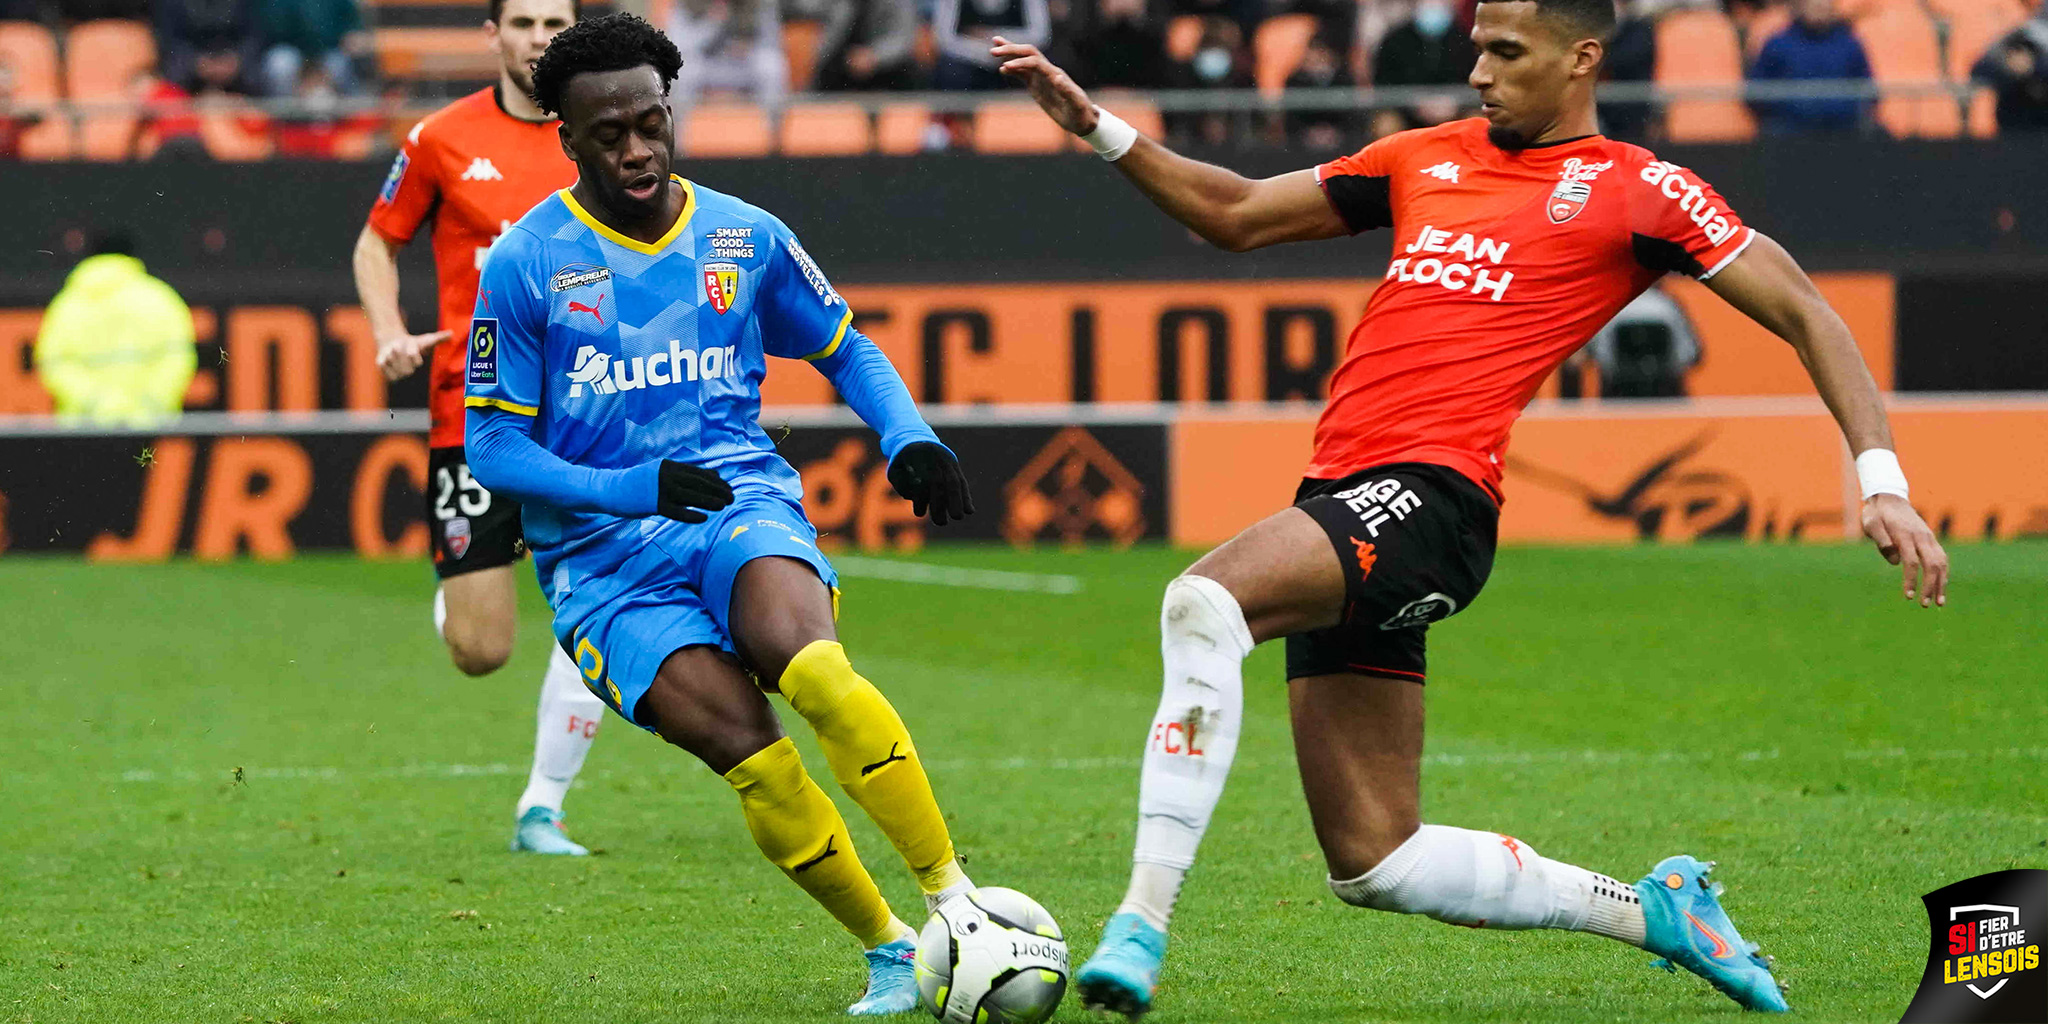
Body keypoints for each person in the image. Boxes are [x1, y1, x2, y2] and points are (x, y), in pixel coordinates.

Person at [992, 0, 1950, 1011]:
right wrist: (1096, 126)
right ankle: (1653, 910)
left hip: (1434, 497)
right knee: (1375, 859)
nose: (1478, 73)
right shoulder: (1423, 157)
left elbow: (1804, 308)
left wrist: (1880, 481)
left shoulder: (1640, 189)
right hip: (1347, 495)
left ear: (1580, 58)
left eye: (1504, 51)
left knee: (1203, 601)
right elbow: (1231, 213)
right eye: (1474, 50)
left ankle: (1138, 922)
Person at [464, 14, 981, 1015]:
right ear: (565, 139)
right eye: (606, 133)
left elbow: (845, 347)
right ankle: (886, 946)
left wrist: (905, 433)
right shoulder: (526, 263)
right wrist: (630, 488)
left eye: (649, 122)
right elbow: (494, 450)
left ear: (671, 112)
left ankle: (957, 902)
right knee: (751, 751)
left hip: (734, 502)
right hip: (603, 565)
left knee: (818, 671)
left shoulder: (744, 235)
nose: (635, 149)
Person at [351, 0, 602, 857]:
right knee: (480, 649)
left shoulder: (603, 132)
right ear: (493, 35)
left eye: (554, 22)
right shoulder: (438, 138)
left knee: (597, 610)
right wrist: (388, 330)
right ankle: (460, 588)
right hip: (476, 410)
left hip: (591, 409)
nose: (539, 36)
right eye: (524, 21)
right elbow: (376, 244)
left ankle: (543, 806)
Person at [35, 234, 196, 426]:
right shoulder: (161, 298)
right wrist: (147, 405)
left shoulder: (68, 304)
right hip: (150, 426)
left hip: (83, 428)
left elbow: (55, 364)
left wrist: (96, 404)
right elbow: (177, 359)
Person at [1747, 0, 1871, 135]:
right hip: (1788, 133)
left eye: (1823, 5)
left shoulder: (1849, 45)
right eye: (1812, 4)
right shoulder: (1777, 44)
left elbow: (1867, 88)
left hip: (1842, 131)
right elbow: (1756, 91)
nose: (1818, 9)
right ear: (1799, 7)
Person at [813, 0, 922, 92]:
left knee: (908, 70)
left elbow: (903, 39)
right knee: (827, 71)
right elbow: (829, 39)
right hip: (846, 63)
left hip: (887, 66)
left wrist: (875, 56)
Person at [1970, 6, 2048, 133]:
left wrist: (2034, 68)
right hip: (2018, 133)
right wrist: (2009, 65)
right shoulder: (2022, 35)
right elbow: (1979, 69)